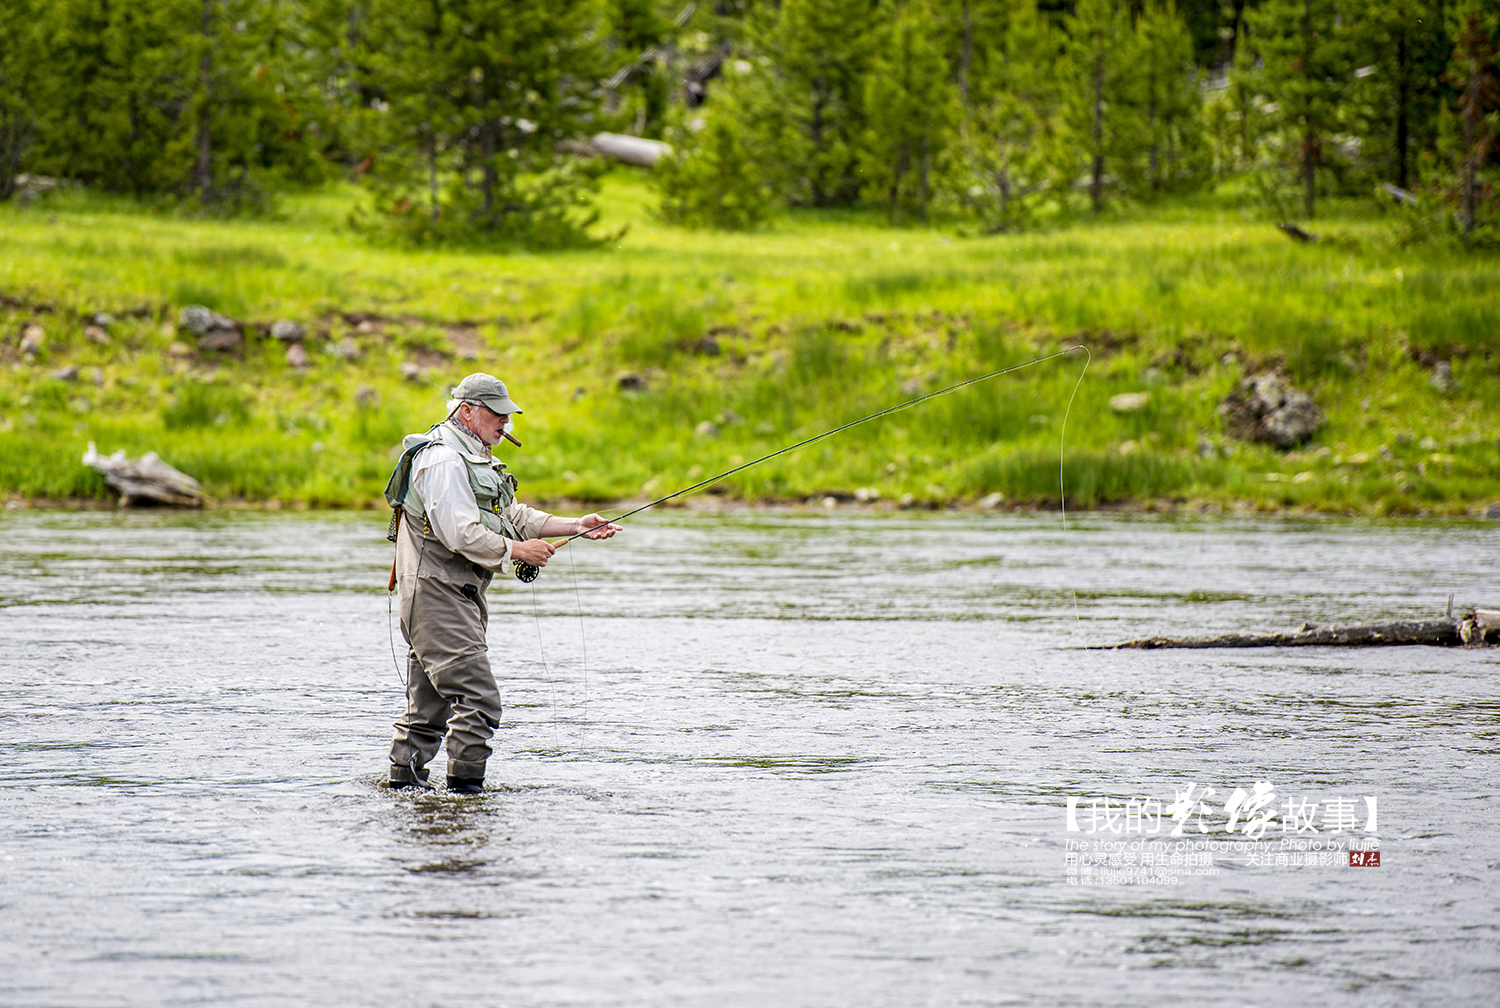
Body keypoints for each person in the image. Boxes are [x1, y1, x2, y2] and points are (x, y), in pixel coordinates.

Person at [382, 373, 620, 793]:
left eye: (508, 415)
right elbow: (459, 533)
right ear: (467, 411)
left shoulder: (475, 455)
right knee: (479, 701)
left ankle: (406, 799)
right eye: (497, 414)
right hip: (435, 596)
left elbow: (514, 516)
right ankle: (466, 801)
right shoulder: (443, 460)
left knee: (428, 712)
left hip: (456, 596)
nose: (504, 424)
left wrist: (576, 525)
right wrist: (517, 552)